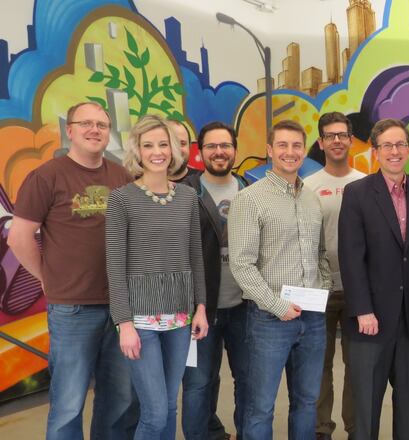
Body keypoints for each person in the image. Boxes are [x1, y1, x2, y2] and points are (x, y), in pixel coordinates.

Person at [8, 101, 138, 440]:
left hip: (119, 308)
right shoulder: (46, 176)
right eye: (86, 123)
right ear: (70, 130)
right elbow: (19, 239)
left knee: (119, 398)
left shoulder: (120, 177)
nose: (95, 130)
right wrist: (48, 278)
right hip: (72, 309)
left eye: (102, 125)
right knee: (68, 403)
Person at [338, 118, 409, 439]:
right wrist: (362, 310)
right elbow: (351, 257)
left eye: (400, 145)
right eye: (387, 145)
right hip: (371, 319)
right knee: (367, 404)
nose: (394, 151)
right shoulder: (357, 193)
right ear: (375, 152)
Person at [106, 114, 209, 439]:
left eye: (163, 144)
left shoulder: (187, 197)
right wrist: (124, 323)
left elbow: (196, 256)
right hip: (140, 322)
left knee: (169, 406)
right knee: (154, 412)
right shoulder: (121, 199)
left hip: (180, 318)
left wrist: (201, 307)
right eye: (148, 145)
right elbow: (115, 264)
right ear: (137, 150)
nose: (157, 152)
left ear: (174, 149)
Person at [228, 120, 332, 440]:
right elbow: (242, 265)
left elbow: (321, 255)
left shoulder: (312, 199)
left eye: (297, 146)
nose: (290, 152)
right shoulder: (250, 199)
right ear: (270, 151)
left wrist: (321, 291)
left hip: (312, 319)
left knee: (306, 401)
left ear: (304, 151)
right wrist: (277, 305)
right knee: (260, 406)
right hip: (269, 319)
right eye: (283, 146)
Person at [181, 121, 249, 440]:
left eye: (225, 145)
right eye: (212, 146)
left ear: (235, 149)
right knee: (198, 382)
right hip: (200, 309)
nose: (219, 152)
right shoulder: (183, 192)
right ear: (200, 151)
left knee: (247, 380)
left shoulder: (251, 190)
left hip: (245, 308)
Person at [304, 112, 365, 440]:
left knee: (357, 367)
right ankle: (320, 429)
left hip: (358, 292)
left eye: (342, 135)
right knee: (318, 366)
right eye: (330, 136)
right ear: (321, 142)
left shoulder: (367, 182)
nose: (337, 141)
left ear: (350, 140)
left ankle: (356, 428)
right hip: (319, 291)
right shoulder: (308, 187)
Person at [169, 119, 201, 183]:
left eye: (182, 143)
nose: (176, 149)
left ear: (189, 146)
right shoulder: (145, 184)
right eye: (171, 143)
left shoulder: (203, 181)